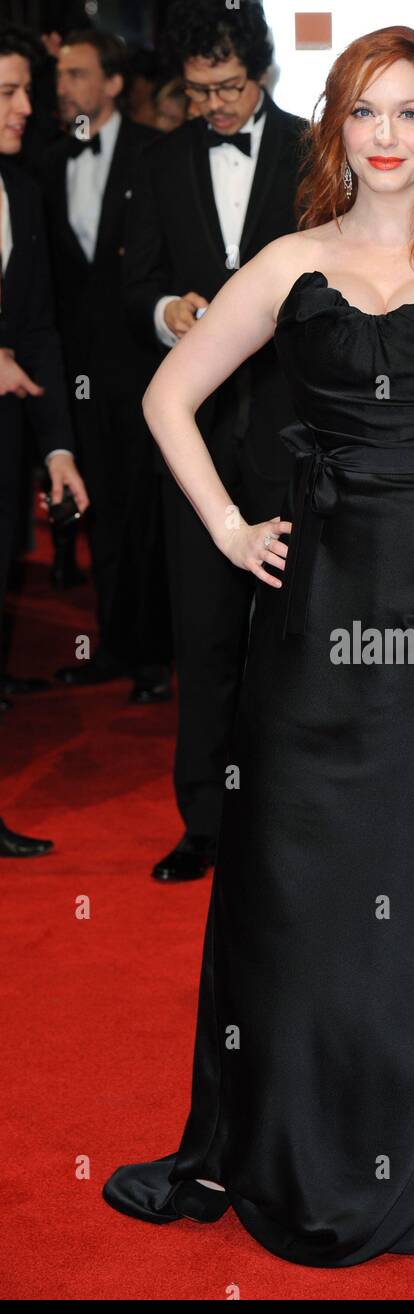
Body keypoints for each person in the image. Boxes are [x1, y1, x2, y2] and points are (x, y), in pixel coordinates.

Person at [102, 26, 414, 1268]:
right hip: (322, 627)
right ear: (335, 129)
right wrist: (227, 526)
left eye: (410, 115)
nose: (385, 137)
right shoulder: (289, 263)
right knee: (303, 888)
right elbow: (169, 395)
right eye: (364, 113)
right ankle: (296, 1137)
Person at [121, 0, 306, 883]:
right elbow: (138, 284)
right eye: (197, 92)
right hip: (192, 434)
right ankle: (205, 822)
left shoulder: (316, 152)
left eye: (227, 87)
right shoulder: (158, 162)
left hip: (290, 431)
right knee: (201, 637)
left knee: (293, 637)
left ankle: (293, 817)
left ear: (260, 72)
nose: (213, 107)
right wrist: (170, 315)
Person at [41, 29, 164, 697]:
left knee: (150, 512)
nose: (64, 89)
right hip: (82, 373)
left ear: (112, 83)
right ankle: (113, 646)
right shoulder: (47, 160)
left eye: (78, 74)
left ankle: (154, 657)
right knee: (104, 513)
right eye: (59, 76)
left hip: (148, 368)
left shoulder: (153, 152)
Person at [0, 24, 89, 855]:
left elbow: (38, 331)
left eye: (27, 90)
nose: (29, 108)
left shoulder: (22, 190)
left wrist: (59, 447)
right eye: (6, 94)